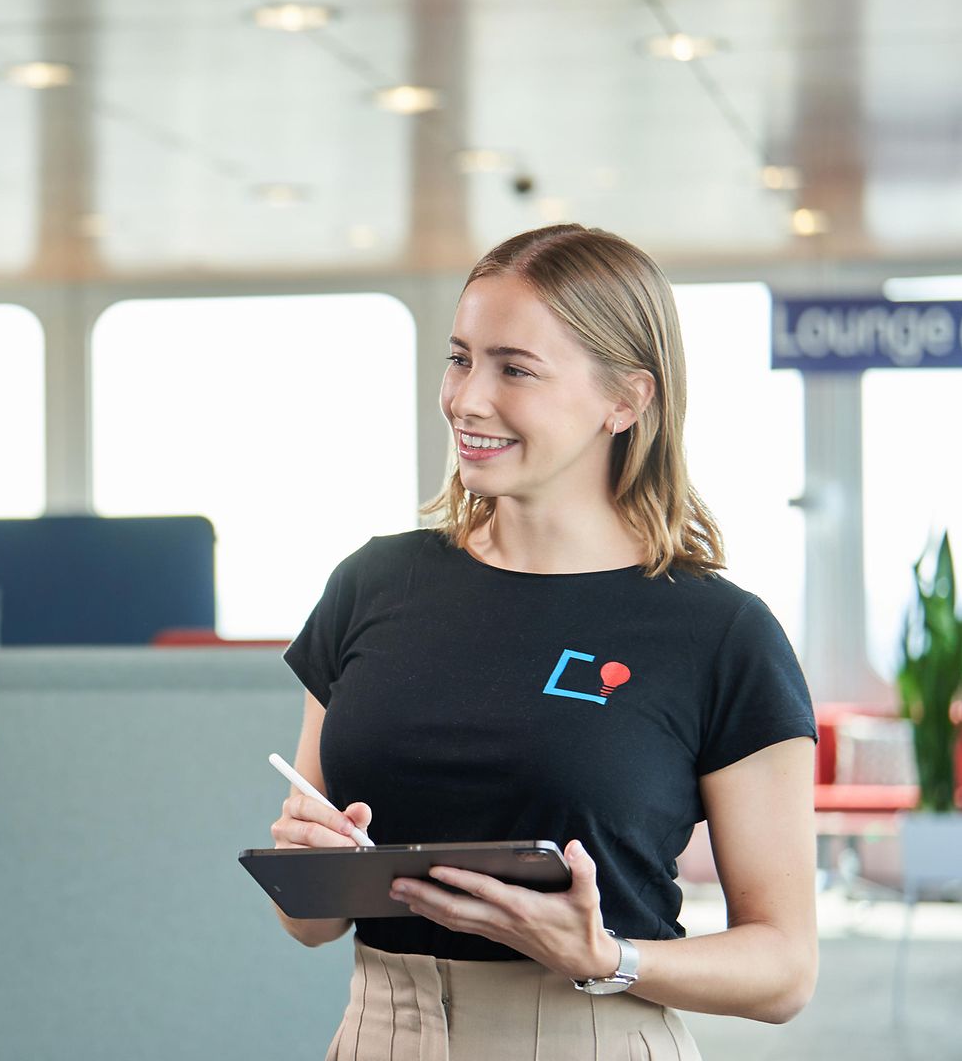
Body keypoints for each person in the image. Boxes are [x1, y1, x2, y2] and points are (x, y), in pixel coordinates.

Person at [268, 224, 818, 1058]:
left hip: (587, 1030)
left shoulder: (718, 631)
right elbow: (311, 924)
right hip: (378, 1029)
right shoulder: (371, 585)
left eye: (514, 368)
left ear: (625, 401)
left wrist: (610, 957)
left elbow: (784, 969)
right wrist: (306, 865)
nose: (467, 399)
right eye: (460, 358)